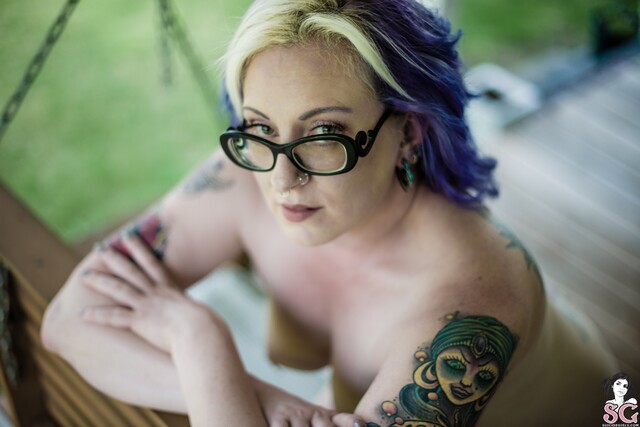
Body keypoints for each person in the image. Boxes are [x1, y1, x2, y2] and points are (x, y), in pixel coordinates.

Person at [40, 0, 619, 425]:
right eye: (260, 126)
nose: (281, 180)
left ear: (408, 133)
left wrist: (200, 341)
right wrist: (260, 399)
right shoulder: (243, 173)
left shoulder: (469, 305)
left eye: (323, 134)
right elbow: (68, 320)